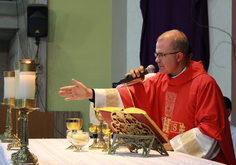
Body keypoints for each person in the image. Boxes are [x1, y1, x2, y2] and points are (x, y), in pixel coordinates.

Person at [59, 29, 236, 164]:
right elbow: (129, 96)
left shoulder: (204, 84)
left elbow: (210, 130)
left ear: (179, 56)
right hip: (166, 158)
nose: (156, 59)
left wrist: (173, 146)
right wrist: (90, 93)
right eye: (156, 54)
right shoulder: (158, 80)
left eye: (161, 55)